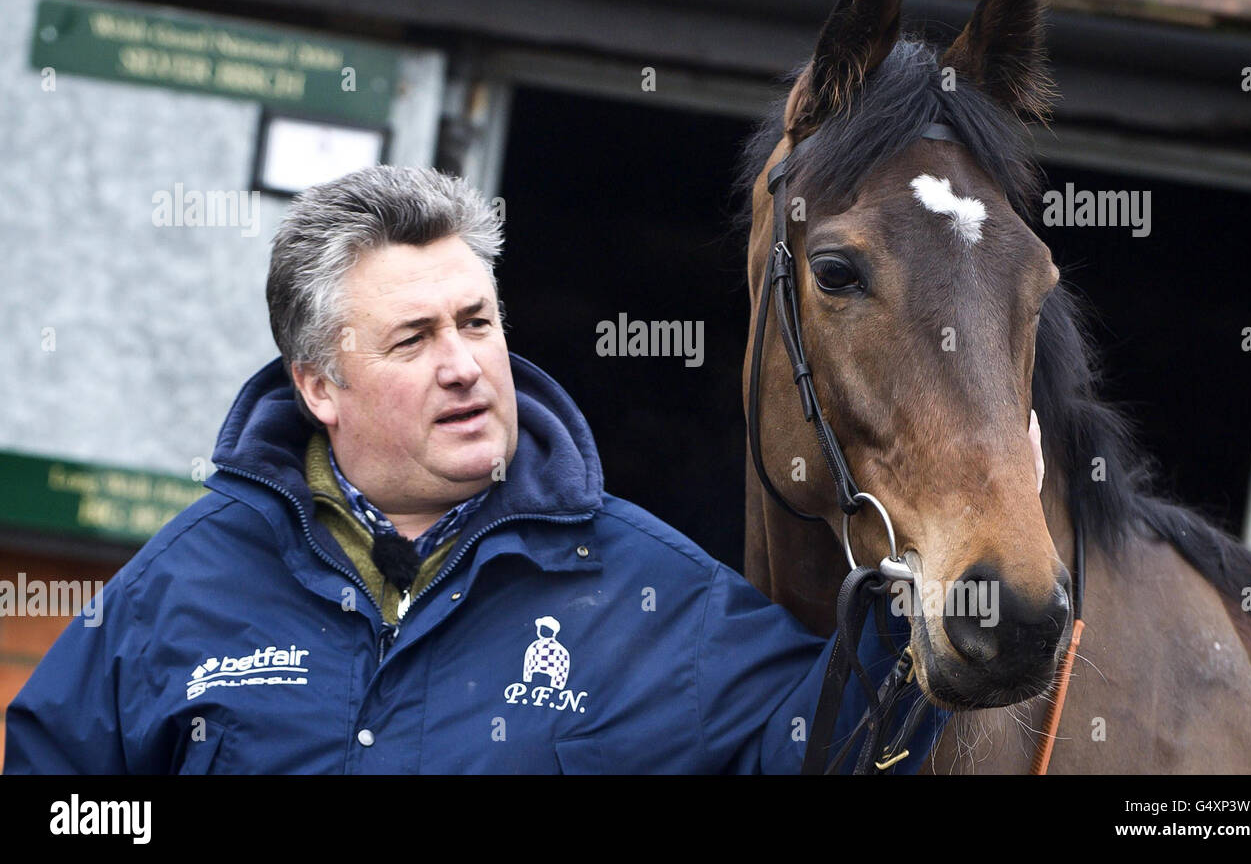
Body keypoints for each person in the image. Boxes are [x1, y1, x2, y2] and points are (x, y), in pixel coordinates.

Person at [4, 166, 948, 773]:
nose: (462, 363)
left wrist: (951, 550)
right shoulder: (179, 587)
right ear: (320, 385)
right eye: (413, 339)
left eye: (476, 322)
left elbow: (835, 749)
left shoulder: (654, 598)